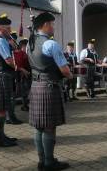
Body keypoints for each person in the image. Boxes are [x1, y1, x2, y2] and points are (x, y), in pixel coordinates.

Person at [27, 12, 72, 171]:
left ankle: (42, 161)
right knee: (49, 126)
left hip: (35, 86)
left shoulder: (30, 43)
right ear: (45, 25)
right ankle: (49, 162)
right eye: (52, 24)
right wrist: (70, 75)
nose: (53, 27)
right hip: (49, 87)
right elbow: (65, 70)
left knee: (39, 126)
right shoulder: (51, 44)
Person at [0, 14, 18, 147]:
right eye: (8, 27)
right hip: (0, 76)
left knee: (2, 109)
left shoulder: (0, 40)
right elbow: (8, 61)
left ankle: (1, 136)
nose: (10, 30)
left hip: (0, 76)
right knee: (0, 110)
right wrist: (17, 67)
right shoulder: (0, 41)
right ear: (1, 28)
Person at [18, 38, 32, 111]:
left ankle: (26, 105)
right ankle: (25, 105)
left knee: (27, 90)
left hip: (28, 73)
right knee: (25, 91)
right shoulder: (21, 54)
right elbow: (20, 65)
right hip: (24, 75)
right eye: (26, 46)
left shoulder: (26, 53)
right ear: (23, 46)